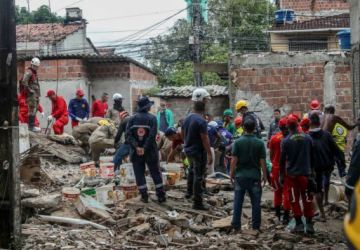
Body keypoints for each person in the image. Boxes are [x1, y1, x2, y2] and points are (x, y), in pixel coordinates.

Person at [280, 114, 315, 234]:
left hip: (292, 176)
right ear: (298, 125)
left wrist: (281, 176)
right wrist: (313, 173)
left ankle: (299, 224)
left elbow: (282, 161)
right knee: (307, 199)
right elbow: (312, 157)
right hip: (306, 174)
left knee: (294, 200)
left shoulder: (285, 141)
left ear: (288, 126)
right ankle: (309, 225)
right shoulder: (308, 138)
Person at [126, 96, 166, 203]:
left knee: (139, 173)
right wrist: (144, 147)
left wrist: (137, 147)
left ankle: (144, 196)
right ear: (148, 107)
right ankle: (161, 196)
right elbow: (152, 135)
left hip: (136, 152)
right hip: (151, 151)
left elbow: (128, 136)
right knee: (155, 172)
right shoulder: (152, 118)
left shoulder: (132, 119)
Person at [230, 118, 267, 231]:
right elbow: (262, 162)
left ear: (244, 128)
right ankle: (256, 226)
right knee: (256, 203)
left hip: (240, 176)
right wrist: (264, 176)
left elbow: (233, 160)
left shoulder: (238, 142)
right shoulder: (260, 143)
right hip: (255, 177)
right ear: (254, 128)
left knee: (238, 202)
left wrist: (231, 174)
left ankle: (236, 225)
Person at [309, 113, 345, 221]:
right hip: (328, 164)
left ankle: (322, 214)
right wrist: (341, 163)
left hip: (316, 167)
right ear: (320, 123)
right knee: (326, 181)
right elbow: (336, 149)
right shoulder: (326, 134)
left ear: (311, 123)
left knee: (317, 189)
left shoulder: (308, 137)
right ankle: (326, 201)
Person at [182, 88, 213, 210]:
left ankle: (189, 193)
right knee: (198, 175)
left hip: (189, 150)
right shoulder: (201, 121)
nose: (207, 103)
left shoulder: (187, 118)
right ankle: (197, 203)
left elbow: (183, 134)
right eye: (206, 100)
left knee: (191, 171)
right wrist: (210, 154)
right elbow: (205, 139)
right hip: (198, 152)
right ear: (202, 101)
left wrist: (187, 144)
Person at [322, 104, 359, 177]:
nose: (324, 112)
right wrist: (356, 124)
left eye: (325, 110)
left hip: (320, 138)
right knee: (339, 152)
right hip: (327, 138)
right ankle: (342, 171)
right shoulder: (335, 117)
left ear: (327, 111)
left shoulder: (322, 117)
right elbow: (349, 127)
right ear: (332, 111)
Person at [268, 117, 291, 224]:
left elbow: (271, 155)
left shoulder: (274, 138)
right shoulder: (292, 138)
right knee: (287, 192)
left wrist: (274, 163)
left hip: (276, 168)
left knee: (277, 192)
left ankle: (278, 214)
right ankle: (286, 216)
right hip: (288, 169)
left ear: (279, 127)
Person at [19, 57, 41, 132]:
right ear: (32, 65)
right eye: (35, 66)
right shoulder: (29, 72)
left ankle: (32, 126)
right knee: (32, 110)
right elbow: (24, 82)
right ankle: (31, 127)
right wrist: (30, 90)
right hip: (31, 96)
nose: (36, 67)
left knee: (34, 110)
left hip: (35, 95)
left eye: (37, 66)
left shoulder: (34, 73)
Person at [345, 124, 360, 202]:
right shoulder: (357, 137)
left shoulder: (358, 139)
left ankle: (352, 211)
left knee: (348, 191)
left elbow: (355, 160)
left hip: (356, 168)